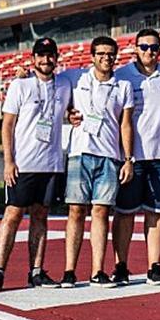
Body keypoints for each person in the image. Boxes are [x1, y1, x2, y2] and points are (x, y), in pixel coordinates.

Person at [0, 38, 74, 291]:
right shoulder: (19, 85)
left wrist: (71, 114)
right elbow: (8, 125)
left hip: (51, 163)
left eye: (50, 55)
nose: (46, 60)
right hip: (23, 163)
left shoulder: (65, 84)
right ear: (33, 58)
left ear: (57, 57)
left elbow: (77, 101)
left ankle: (36, 271)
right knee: (12, 214)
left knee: (40, 216)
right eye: (41, 56)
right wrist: (8, 161)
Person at [62, 36, 135, 288]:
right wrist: (67, 113)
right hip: (79, 153)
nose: (106, 57)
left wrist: (128, 159)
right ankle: (69, 270)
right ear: (92, 56)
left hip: (109, 156)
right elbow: (52, 90)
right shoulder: (76, 77)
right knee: (76, 211)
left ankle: (97, 270)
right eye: (101, 53)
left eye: (111, 53)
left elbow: (126, 124)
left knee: (101, 211)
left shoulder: (122, 86)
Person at [112, 28, 160, 286]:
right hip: (131, 156)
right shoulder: (121, 76)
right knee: (125, 212)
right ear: (135, 48)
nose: (149, 52)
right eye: (144, 47)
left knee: (157, 213)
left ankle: (155, 266)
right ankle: (121, 265)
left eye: (154, 48)